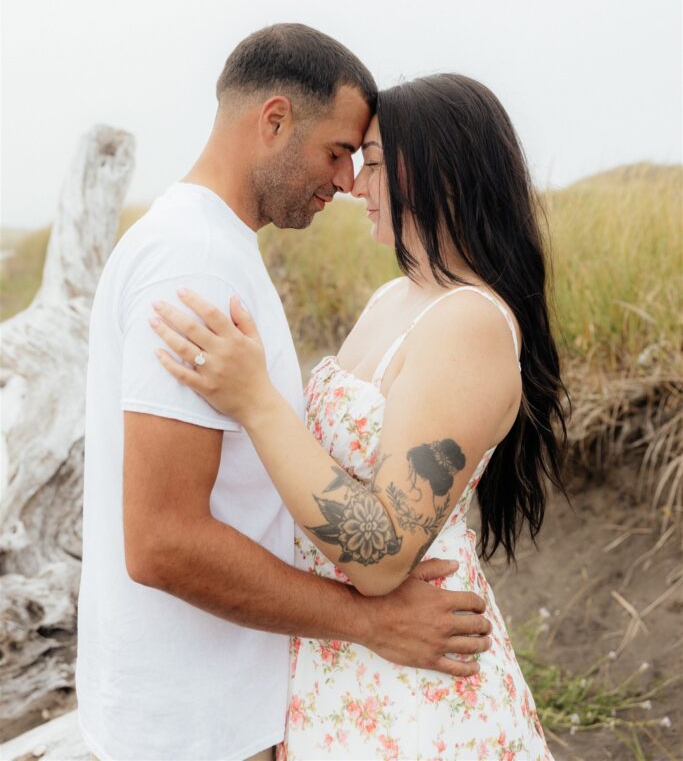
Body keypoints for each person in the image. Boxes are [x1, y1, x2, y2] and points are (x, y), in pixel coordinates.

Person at [76, 27, 492, 761]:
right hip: (194, 723)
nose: (344, 183)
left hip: (215, 703)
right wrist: (369, 621)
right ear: (272, 120)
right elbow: (162, 542)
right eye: (337, 152)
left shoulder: (212, 245)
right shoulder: (193, 260)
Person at [151, 72, 569, 761]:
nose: (351, 185)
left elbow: (379, 555)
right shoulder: (392, 299)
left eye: (371, 163)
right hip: (343, 653)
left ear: (441, 172)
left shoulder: (468, 324)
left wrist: (252, 397)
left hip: (413, 681)